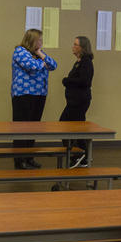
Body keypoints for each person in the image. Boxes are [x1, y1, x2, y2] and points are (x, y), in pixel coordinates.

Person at [11, 28, 57, 169]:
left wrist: (41, 56)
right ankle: (19, 160)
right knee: (21, 128)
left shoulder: (37, 54)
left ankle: (29, 157)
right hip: (24, 94)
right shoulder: (20, 51)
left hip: (39, 94)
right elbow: (31, 67)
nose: (41, 42)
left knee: (33, 128)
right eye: (39, 40)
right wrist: (43, 61)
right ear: (31, 40)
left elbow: (53, 65)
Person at [60, 35, 94, 168]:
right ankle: (77, 154)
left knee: (71, 126)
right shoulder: (79, 61)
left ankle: (82, 154)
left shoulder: (86, 62)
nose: (73, 47)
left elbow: (85, 81)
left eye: (76, 45)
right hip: (73, 101)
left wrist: (67, 81)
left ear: (82, 48)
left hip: (79, 101)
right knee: (67, 126)